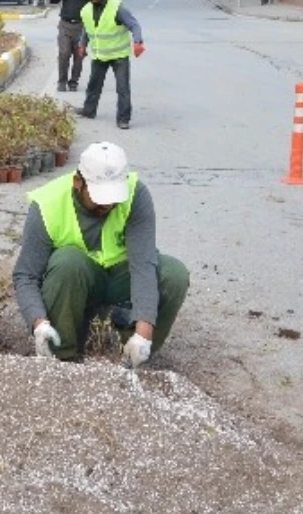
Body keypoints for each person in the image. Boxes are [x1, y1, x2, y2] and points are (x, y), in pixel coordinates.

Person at [12, 141, 189, 366]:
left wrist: (144, 332)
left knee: (174, 274)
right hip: (76, 283)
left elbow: (143, 264)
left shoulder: (135, 195)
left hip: (119, 279)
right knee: (68, 261)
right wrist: (38, 323)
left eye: (114, 198)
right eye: (100, 198)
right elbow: (25, 276)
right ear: (78, 182)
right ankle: (62, 356)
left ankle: (133, 354)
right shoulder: (48, 204)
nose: (109, 205)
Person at [75, 0, 144, 130]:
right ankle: (89, 110)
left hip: (119, 55)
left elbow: (134, 25)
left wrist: (138, 42)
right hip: (100, 55)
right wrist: (82, 44)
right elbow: (87, 29)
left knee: (122, 88)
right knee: (93, 86)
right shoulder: (85, 10)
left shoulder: (117, 7)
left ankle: (123, 119)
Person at [47, 0, 88, 92]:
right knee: (64, 53)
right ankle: (62, 81)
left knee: (79, 55)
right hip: (65, 24)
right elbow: (53, 0)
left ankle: (74, 81)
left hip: (82, 26)